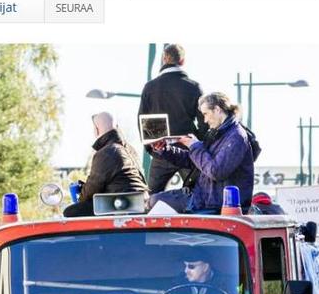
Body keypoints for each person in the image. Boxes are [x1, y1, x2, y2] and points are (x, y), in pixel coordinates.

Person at [148, 92, 256, 214]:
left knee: (154, 202)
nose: (204, 120)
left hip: (214, 203)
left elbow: (216, 171)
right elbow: (195, 162)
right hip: (205, 197)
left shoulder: (236, 137)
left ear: (217, 109)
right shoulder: (217, 133)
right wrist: (165, 150)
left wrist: (194, 146)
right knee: (153, 200)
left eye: (206, 114)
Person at [139, 44, 208, 194]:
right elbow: (204, 122)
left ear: (164, 59)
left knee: (151, 198)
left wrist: (153, 148)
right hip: (188, 150)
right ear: (182, 61)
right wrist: (199, 145)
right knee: (197, 195)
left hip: (161, 149)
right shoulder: (194, 87)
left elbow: (142, 119)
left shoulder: (150, 87)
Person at [64, 112, 148, 218]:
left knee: (70, 212)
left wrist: (80, 196)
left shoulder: (107, 152)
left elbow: (92, 189)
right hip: (142, 203)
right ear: (116, 127)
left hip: (122, 204)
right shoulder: (131, 150)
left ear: (96, 129)